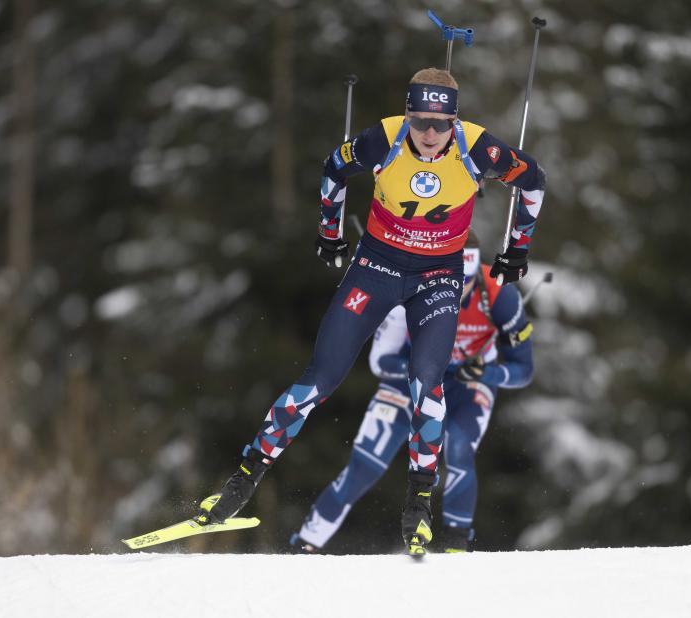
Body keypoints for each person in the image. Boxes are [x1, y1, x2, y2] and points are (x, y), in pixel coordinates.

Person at [195, 67, 547, 553]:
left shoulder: (477, 147)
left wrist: (517, 249)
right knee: (320, 377)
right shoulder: (384, 138)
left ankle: (419, 504)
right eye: (420, 121)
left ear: (455, 121)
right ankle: (243, 478)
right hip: (377, 266)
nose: (429, 134)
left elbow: (533, 179)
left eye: (440, 124)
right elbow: (334, 168)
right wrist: (330, 232)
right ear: (407, 114)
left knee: (427, 381)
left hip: (437, 276)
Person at [290, 232, 534, 553]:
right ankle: (305, 544)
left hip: (467, 385)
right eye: (449, 282)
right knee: (366, 464)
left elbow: (523, 370)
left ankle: (456, 547)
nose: (456, 292)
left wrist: (486, 373)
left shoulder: (499, 294)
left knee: (459, 448)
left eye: (465, 283)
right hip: (409, 383)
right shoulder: (409, 282)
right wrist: (420, 367)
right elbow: (381, 362)